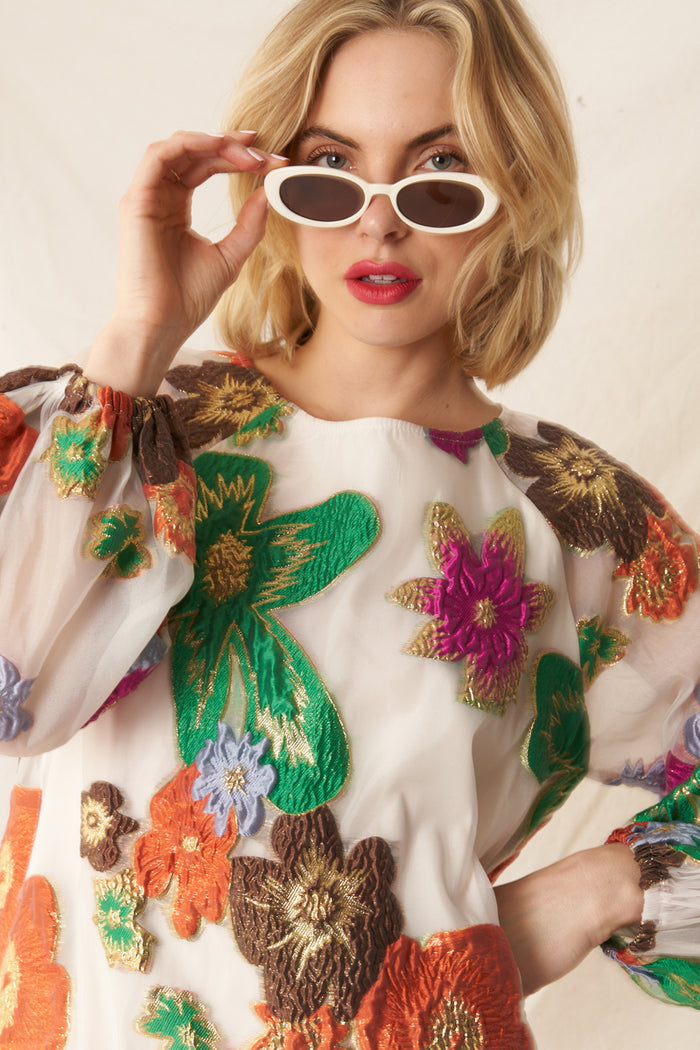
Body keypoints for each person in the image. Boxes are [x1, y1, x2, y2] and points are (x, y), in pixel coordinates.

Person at [0, 0, 699, 1046]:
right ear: (270, 186)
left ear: (514, 190)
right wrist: (139, 334)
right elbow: (13, 690)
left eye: (440, 172)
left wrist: (600, 890)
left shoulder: (578, 518)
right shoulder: (142, 435)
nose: (379, 223)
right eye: (329, 168)